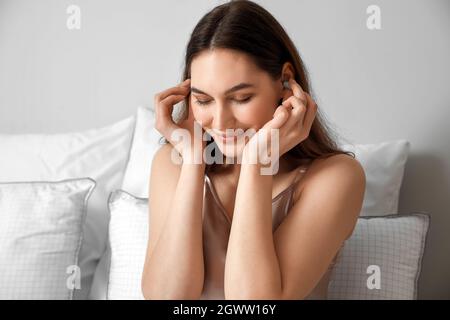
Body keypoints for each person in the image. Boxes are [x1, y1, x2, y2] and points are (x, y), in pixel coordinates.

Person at [142, 0, 366, 300]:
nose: (220, 122)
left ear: (286, 82)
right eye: (204, 100)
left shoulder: (337, 177)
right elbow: (169, 299)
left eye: (241, 97)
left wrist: (257, 162)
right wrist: (194, 162)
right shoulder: (172, 164)